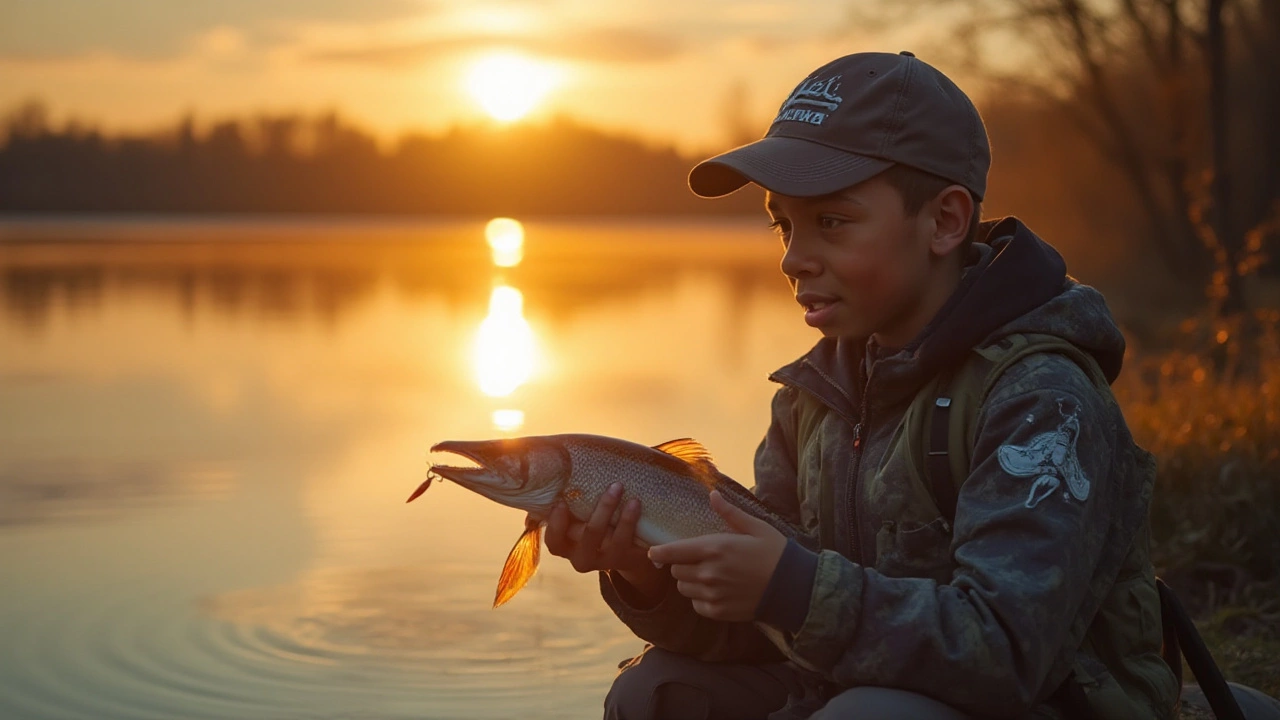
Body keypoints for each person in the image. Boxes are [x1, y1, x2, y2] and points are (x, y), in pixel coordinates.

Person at [539, 50, 1181, 719]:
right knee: (654, 694)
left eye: (832, 223)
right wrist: (650, 578)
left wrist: (794, 590)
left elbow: (1008, 651)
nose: (792, 258)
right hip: (854, 684)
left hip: (1054, 703)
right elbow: (765, 633)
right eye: (783, 224)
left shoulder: (1038, 397)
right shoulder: (812, 399)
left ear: (945, 221)